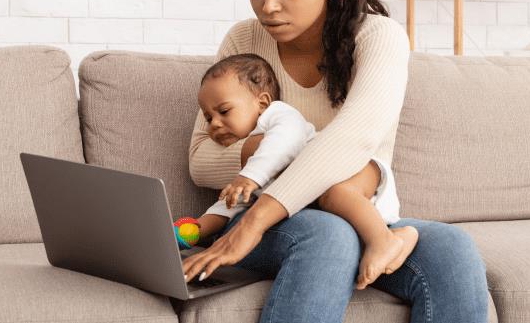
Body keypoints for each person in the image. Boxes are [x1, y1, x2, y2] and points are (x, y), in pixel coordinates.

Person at [182, 0, 489, 323]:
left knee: (452, 250)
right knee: (327, 234)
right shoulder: (243, 42)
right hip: (291, 226)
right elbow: (201, 159)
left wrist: (267, 181)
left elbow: (354, 141)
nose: (268, 6)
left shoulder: (378, 39)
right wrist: (274, 156)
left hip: (338, 216)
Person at [179, 53, 418, 289]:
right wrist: (193, 231)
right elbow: (227, 207)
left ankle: (383, 240)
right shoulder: (249, 177)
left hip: (356, 170)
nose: (215, 124)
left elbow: (285, 142)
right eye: (209, 118)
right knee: (336, 217)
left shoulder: (277, 117)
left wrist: (249, 177)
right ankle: (397, 236)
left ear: (261, 103)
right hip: (349, 203)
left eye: (224, 111)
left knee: (333, 194)